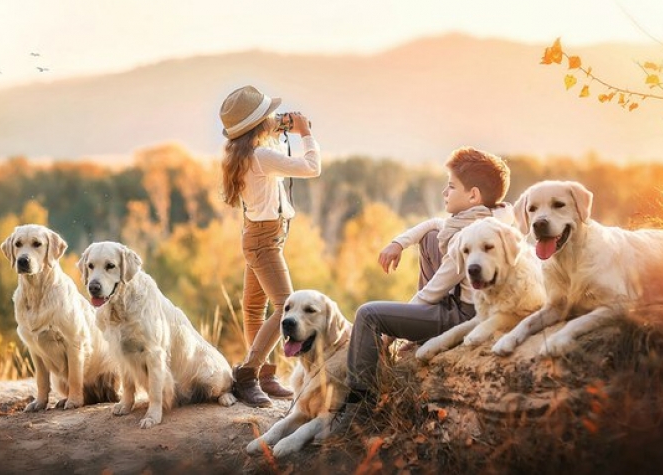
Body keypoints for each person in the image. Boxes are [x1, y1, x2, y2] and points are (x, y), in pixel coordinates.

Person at [332, 146, 512, 429]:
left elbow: (433, 291)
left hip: (464, 315)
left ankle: (361, 405)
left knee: (368, 314)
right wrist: (399, 242)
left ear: (473, 195)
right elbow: (434, 224)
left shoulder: (466, 239)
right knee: (430, 236)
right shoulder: (487, 220)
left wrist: (391, 335)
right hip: (464, 302)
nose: (444, 192)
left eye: (451, 186)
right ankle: (416, 334)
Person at [219, 85, 321, 408]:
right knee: (285, 308)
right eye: (269, 116)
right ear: (259, 125)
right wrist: (304, 133)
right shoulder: (262, 156)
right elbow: (311, 168)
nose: (275, 120)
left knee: (253, 309)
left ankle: (265, 376)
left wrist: (276, 126)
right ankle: (247, 375)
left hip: (255, 235)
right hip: (265, 241)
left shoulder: (242, 153)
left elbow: (261, 141)